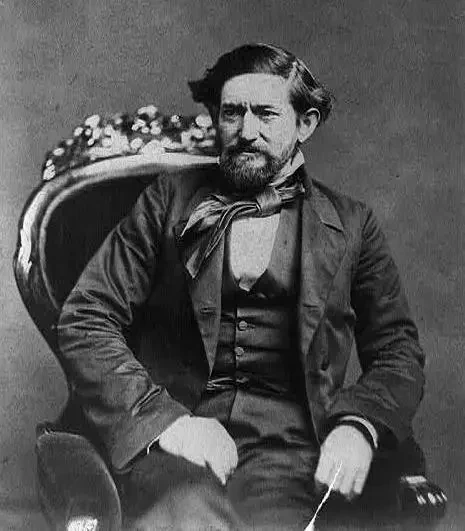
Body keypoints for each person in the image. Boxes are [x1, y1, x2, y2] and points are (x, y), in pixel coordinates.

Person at [57, 43, 430, 530]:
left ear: (305, 124)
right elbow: (85, 316)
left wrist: (359, 424)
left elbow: (398, 349)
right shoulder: (166, 202)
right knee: (187, 516)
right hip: (178, 445)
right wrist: (168, 424)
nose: (246, 131)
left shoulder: (353, 224)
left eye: (266, 114)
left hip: (293, 454)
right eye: (232, 113)